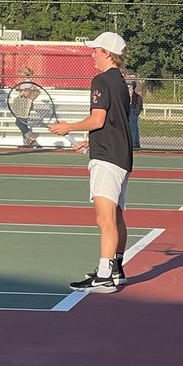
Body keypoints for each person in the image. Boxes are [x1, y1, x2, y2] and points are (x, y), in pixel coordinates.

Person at [49, 31, 133, 292]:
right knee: (116, 216)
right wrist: (90, 141)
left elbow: (98, 119)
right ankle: (116, 269)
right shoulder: (121, 82)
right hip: (121, 155)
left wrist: (69, 127)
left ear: (107, 53)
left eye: (96, 50)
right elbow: (113, 122)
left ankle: (105, 276)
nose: (92, 54)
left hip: (107, 157)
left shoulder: (100, 80)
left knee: (104, 219)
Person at [12, 66, 41, 148]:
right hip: (23, 103)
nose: (20, 74)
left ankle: (31, 138)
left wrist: (20, 89)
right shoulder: (26, 82)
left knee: (19, 122)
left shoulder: (28, 82)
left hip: (25, 104)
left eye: (22, 72)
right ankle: (26, 142)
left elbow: (27, 92)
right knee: (23, 124)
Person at [126, 73, 144, 151]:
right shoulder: (126, 85)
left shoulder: (137, 85)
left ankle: (134, 143)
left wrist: (138, 108)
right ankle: (133, 143)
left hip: (134, 107)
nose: (131, 79)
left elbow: (140, 97)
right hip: (128, 107)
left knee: (133, 126)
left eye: (132, 77)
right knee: (131, 126)